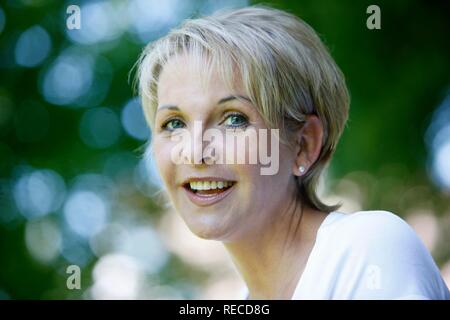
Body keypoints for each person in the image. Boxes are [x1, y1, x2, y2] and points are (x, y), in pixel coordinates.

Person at [135, 5, 450, 299]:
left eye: (234, 119)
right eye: (174, 123)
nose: (194, 153)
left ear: (304, 145)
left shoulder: (369, 248)